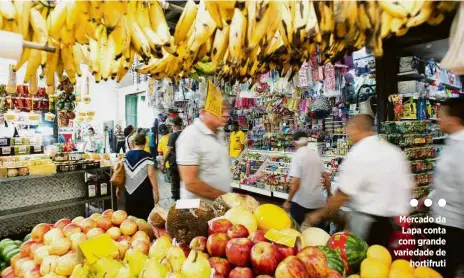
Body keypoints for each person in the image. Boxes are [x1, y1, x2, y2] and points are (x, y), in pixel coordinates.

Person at [307, 114, 413, 247]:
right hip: (396, 226)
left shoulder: (359, 153)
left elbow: (343, 194)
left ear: (356, 128)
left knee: (366, 262)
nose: (348, 135)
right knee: (389, 264)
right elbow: (409, 188)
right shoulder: (393, 151)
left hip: (370, 225)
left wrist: (319, 214)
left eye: (349, 130)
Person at [421, 98, 464, 278]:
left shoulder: (461, 148)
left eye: (441, 116)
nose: (438, 119)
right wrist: (428, 199)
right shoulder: (451, 143)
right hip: (443, 221)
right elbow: (447, 182)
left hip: (454, 226)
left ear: (453, 119)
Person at [176, 100, 231, 201]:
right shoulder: (191, 135)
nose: (226, 114)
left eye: (227, 110)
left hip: (218, 206)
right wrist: (226, 199)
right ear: (203, 112)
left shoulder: (220, 134)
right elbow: (191, 183)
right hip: (198, 211)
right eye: (221, 110)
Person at [283, 131, 331, 231]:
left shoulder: (297, 156)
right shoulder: (315, 155)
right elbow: (326, 176)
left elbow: (296, 183)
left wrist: (288, 200)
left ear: (294, 143)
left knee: (293, 229)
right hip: (318, 199)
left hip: (301, 201)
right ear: (307, 142)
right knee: (322, 231)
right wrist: (329, 193)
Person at [117, 134, 159, 219]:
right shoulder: (148, 156)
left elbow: (120, 173)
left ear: (134, 142)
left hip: (129, 191)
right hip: (144, 191)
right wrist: (156, 192)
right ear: (145, 142)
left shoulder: (126, 155)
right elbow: (151, 174)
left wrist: (118, 188)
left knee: (131, 217)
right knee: (145, 216)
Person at [165, 117, 183, 201]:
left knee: (175, 181)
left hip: (175, 162)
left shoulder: (173, 135)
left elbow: (169, 151)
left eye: (172, 125)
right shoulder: (186, 134)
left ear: (175, 125)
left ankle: (176, 199)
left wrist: (163, 162)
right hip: (185, 161)